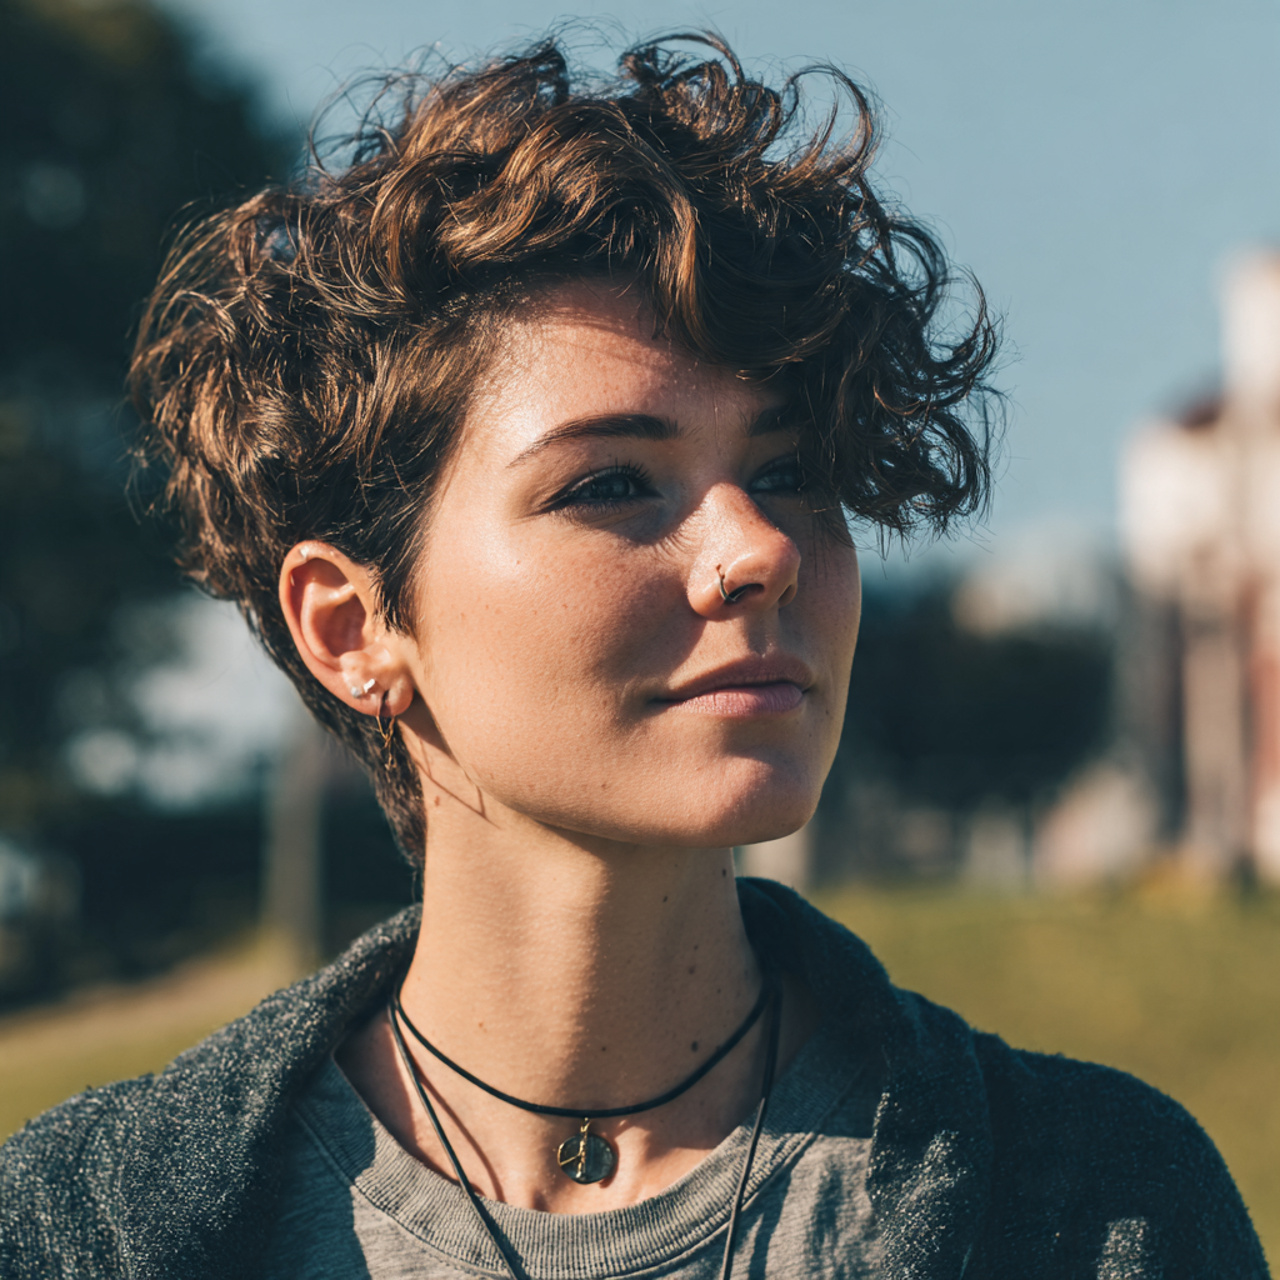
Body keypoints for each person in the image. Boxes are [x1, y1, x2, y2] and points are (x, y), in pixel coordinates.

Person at [0, 33, 1268, 1280]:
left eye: (789, 472)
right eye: (611, 481)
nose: (757, 545)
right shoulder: (77, 1234)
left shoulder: (1099, 1210)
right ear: (351, 627)